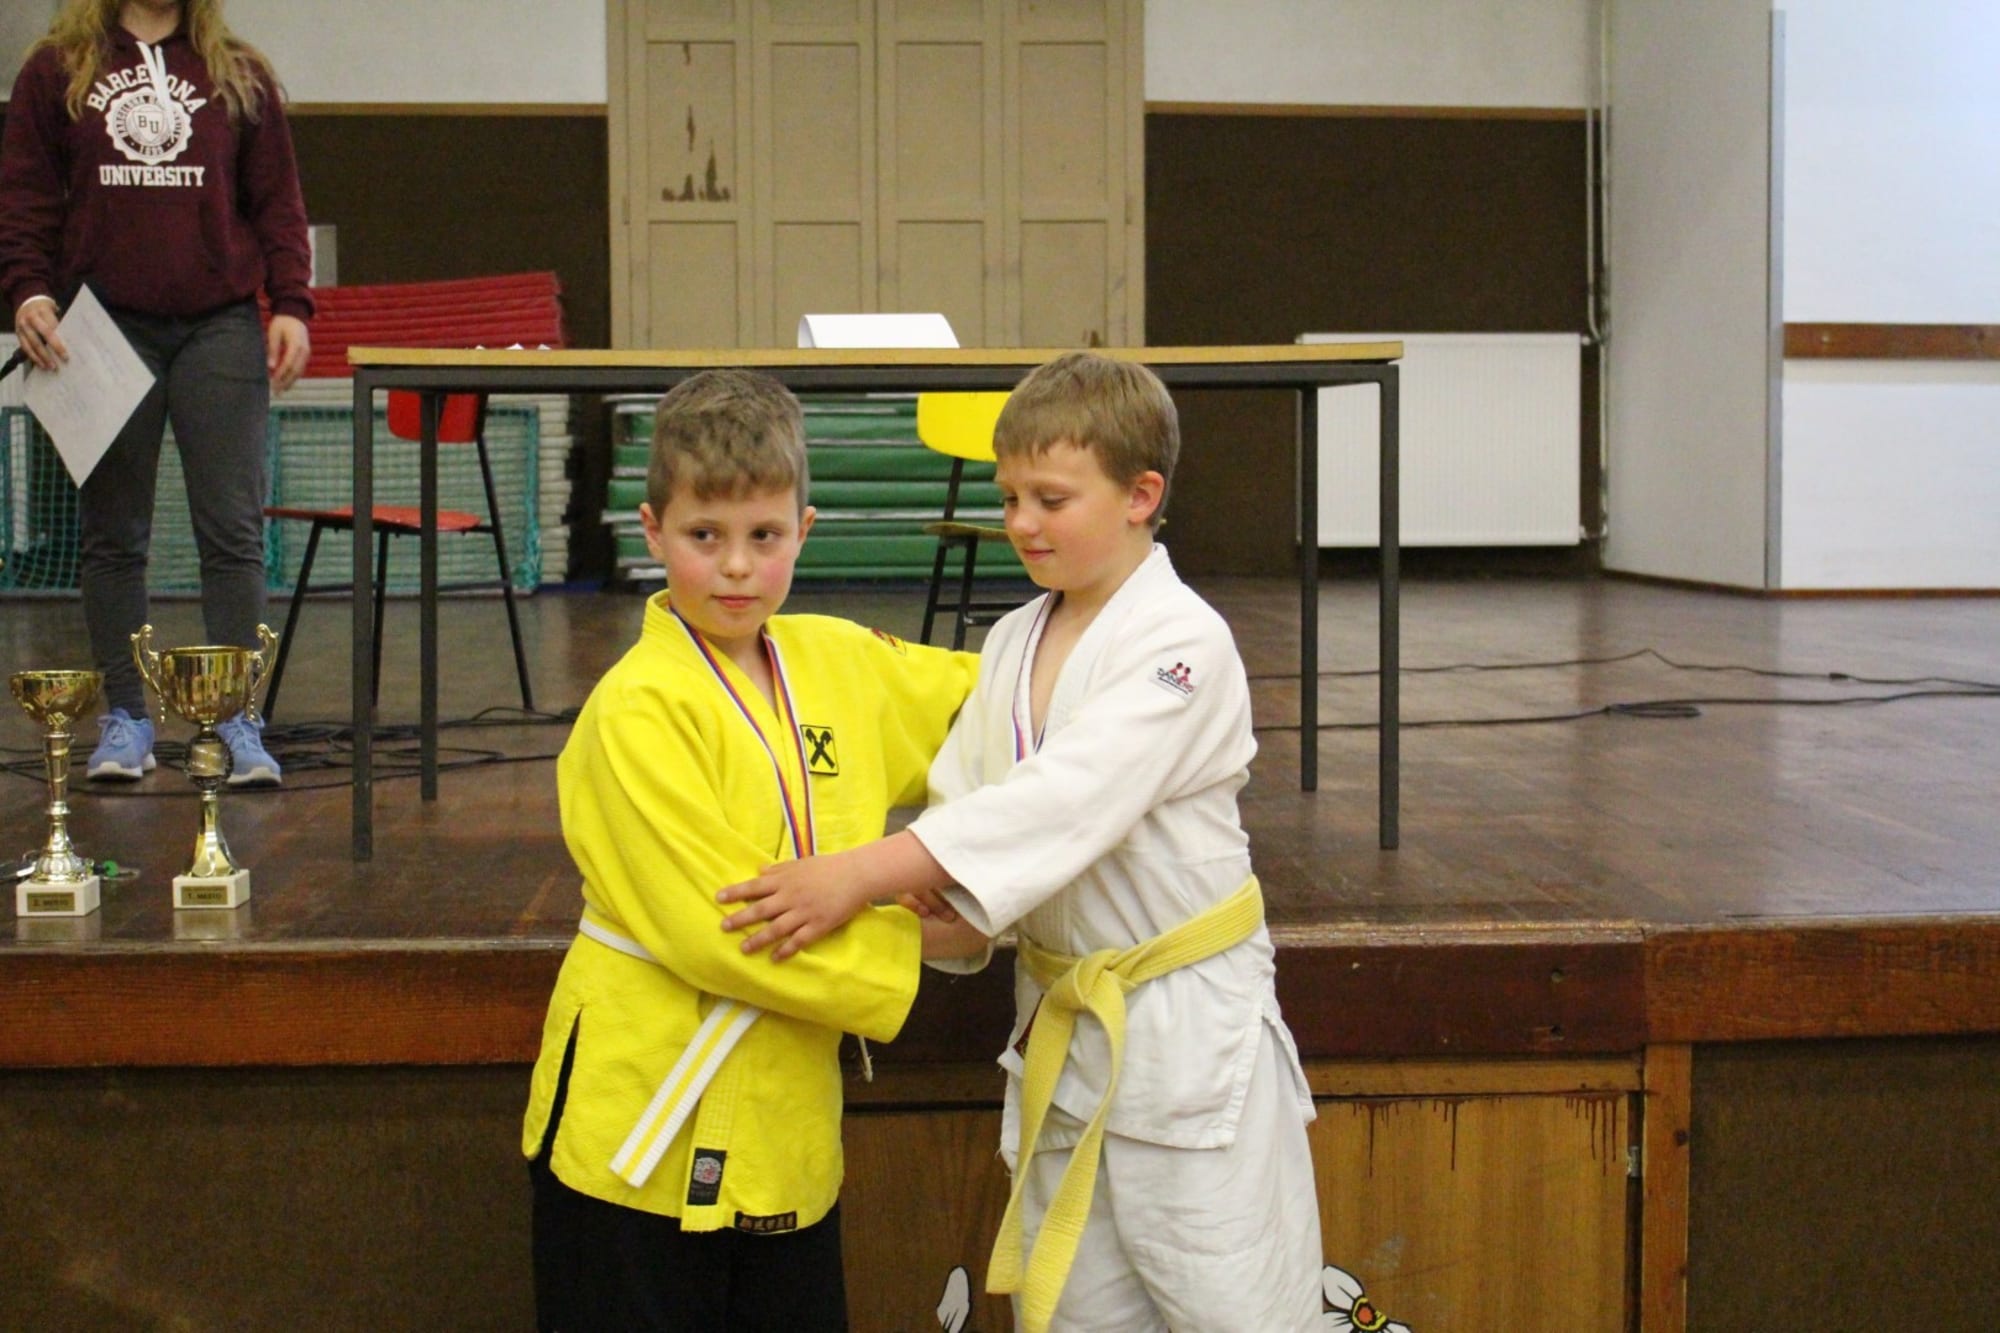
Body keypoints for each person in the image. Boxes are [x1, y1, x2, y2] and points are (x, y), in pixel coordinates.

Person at [717, 351, 1326, 1332]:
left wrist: (858, 874)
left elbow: (1059, 801)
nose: (1021, 523)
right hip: (1060, 1020)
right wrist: (907, 918)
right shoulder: (1010, 641)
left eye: (1051, 499)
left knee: (1235, 1309)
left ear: (1140, 496)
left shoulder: (1183, 641)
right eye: (1008, 499)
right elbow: (967, 816)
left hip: (1184, 1028)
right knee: (1078, 1311)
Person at [522, 368, 980, 1332]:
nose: (736, 567)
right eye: (705, 536)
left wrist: (1121, 648)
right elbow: (725, 927)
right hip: (639, 1128)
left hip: (784, 1130)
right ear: (652, 531)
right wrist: (933, 939)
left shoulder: (838, 660)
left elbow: (995, 704)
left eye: (764, 536)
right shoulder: (635, 709)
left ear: (803, 530)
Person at [0, 0, 312, 786]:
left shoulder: (239, 73)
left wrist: (292, 304)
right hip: (101, 327)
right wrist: (28, 291)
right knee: (112, 533)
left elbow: (278, 202)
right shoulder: (54, 70)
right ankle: (126, 719)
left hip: (220, 324)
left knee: (233, 531)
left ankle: (235, 718)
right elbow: (24, 197)